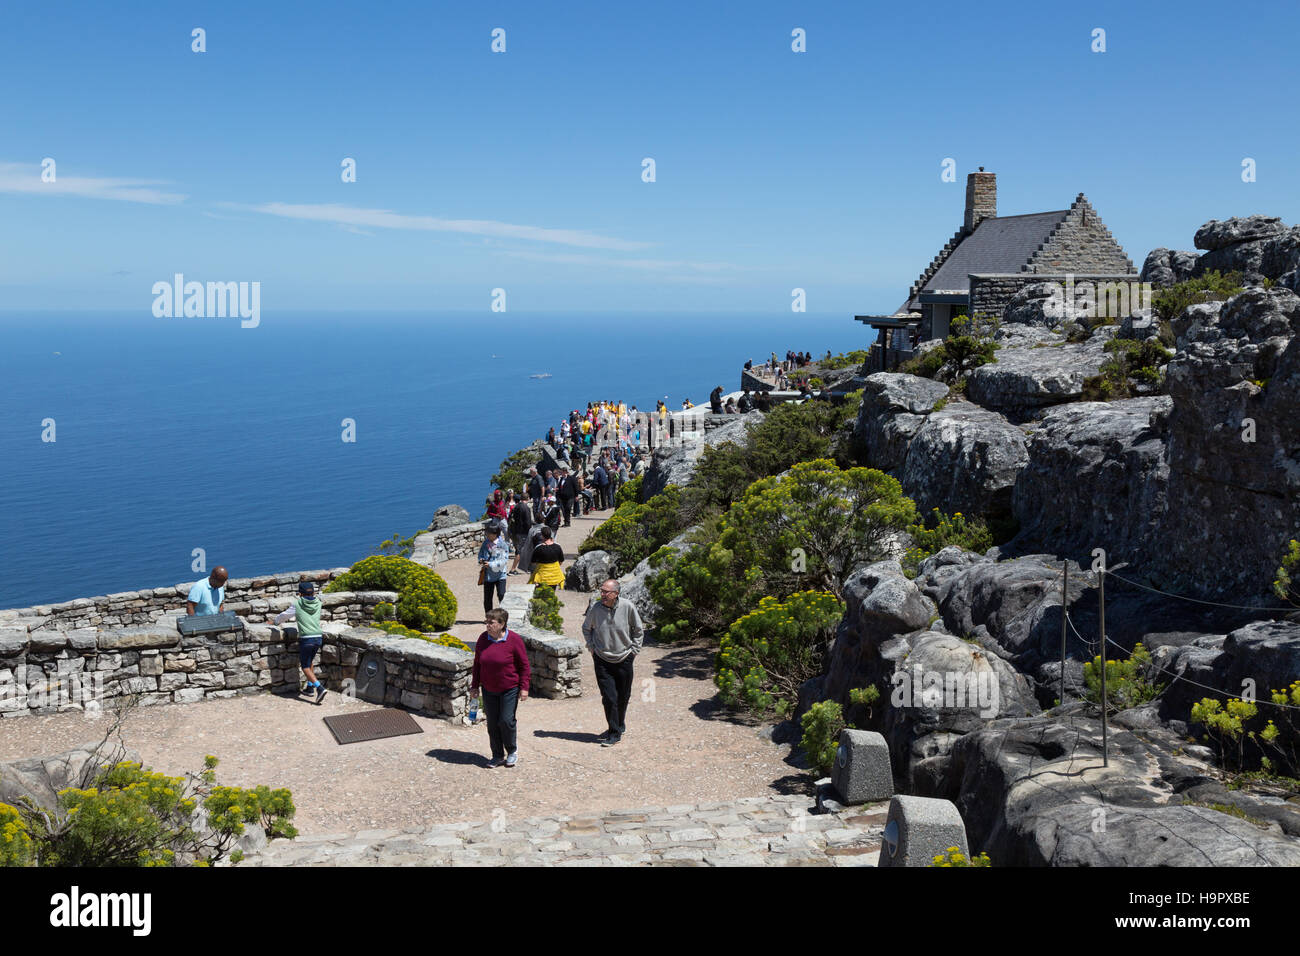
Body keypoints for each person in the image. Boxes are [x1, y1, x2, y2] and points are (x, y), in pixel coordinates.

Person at [581, 578, 644, 747]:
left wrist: (634, 651)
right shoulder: (595, 609)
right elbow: (586, 628)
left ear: (616, 594)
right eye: (601, 591)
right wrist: (592, 647)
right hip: (602, 660)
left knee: (623, 696)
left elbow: (638, 629)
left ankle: (619, 724)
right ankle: (614, 732)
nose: (602, 594)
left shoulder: (627, 606)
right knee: (609, 697)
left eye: (606, 592)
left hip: (624, 658)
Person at [469, 608, 530, 768]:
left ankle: (511, 751)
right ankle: (497, 755)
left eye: (491, 622)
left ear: (502, 624)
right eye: (486, 622)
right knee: (493, 723)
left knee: (506, 721)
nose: (487, 625)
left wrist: (524, 687)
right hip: (488, 689)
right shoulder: (483, 639)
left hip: (509, 688)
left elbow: (524, 666)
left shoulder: (514, 640)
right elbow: (477, 664)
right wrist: (475, 686)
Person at [272, 581, 327, 703]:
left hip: (306, 638)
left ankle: (320, 687)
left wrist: (274, 622)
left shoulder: (297, 604)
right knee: (310, 661)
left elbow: (283, 616)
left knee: (305, 666)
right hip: (318, 637)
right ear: (313, 592)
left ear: (300, 594)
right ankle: (310, 688)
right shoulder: (318, 602)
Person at [478, 526, 511, 617]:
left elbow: (504, 561)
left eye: (488, 533)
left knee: (501, 596)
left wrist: (491, 564)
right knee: (487, 598)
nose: (487, 535)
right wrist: (481, 559)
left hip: (500, 575)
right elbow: (481, 553)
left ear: (495, 534)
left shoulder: (502, 545)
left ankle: (503, 617)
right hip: (488, 575)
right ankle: (489, 617)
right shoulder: (485, 543)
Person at [507, 490, 533, 575]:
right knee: (520, 551)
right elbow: (528, 522)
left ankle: (528, 567)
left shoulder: (516, 507)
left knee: (523, 550)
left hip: (515, 532)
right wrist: (530, 531)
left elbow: (510, 518)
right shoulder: (526, 508)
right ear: (528, 498)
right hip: (523, 532)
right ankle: (512, 569)